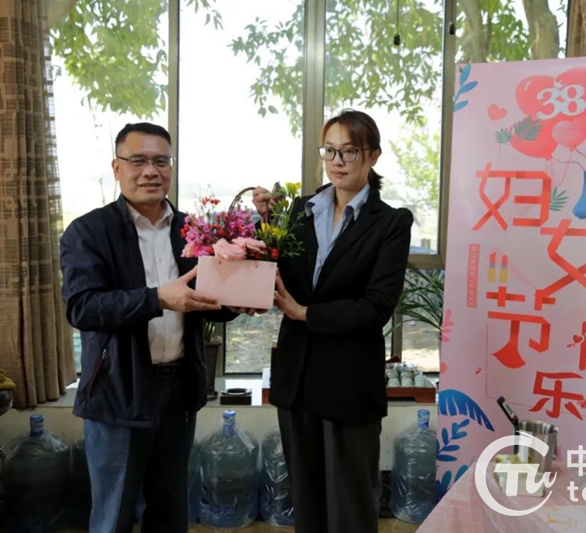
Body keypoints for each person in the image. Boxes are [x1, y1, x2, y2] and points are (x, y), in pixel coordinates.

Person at [60, 122, 256, 533]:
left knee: (169, 511)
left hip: (178, 390)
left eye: (161, 161)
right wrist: (157, 299)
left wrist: (236, 302)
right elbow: (83, 308)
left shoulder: (192, 230)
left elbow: (204, 301)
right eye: (138, 161)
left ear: (171, 167)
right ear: (117, 168)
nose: (151, 171)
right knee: (113, 515)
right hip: (118, 392)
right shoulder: (89, 232)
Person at [253, 109, 413, 533]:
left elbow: (376, 307)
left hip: (349, 383)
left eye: (349, 151)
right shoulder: (299, 211)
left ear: (373, 156)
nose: (338, 161)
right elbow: (280, 275)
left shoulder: (391, 223)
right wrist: (265, 227)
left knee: (349, 508)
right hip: (297, 377)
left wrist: (305, 313)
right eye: (330, 151)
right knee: (305, 503)